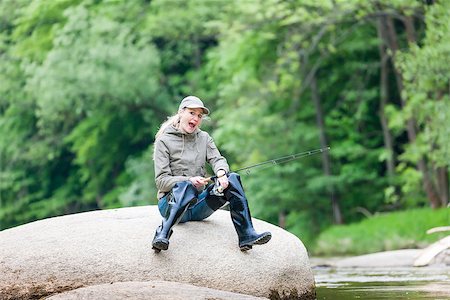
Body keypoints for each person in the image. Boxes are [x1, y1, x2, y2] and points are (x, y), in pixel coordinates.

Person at [151, 95, 272, 252]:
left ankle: (247, 235)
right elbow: (161, 181)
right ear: (181, 112)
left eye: (199, 116)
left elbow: (218, 160)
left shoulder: (204, 138)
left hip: (197, 206)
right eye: (192, 113)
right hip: (170, 206)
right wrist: (189, 180)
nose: (196, 118)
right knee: (186, 186)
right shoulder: (164, 140)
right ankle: (162, 235)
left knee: (232, 178)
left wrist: (221, 173)